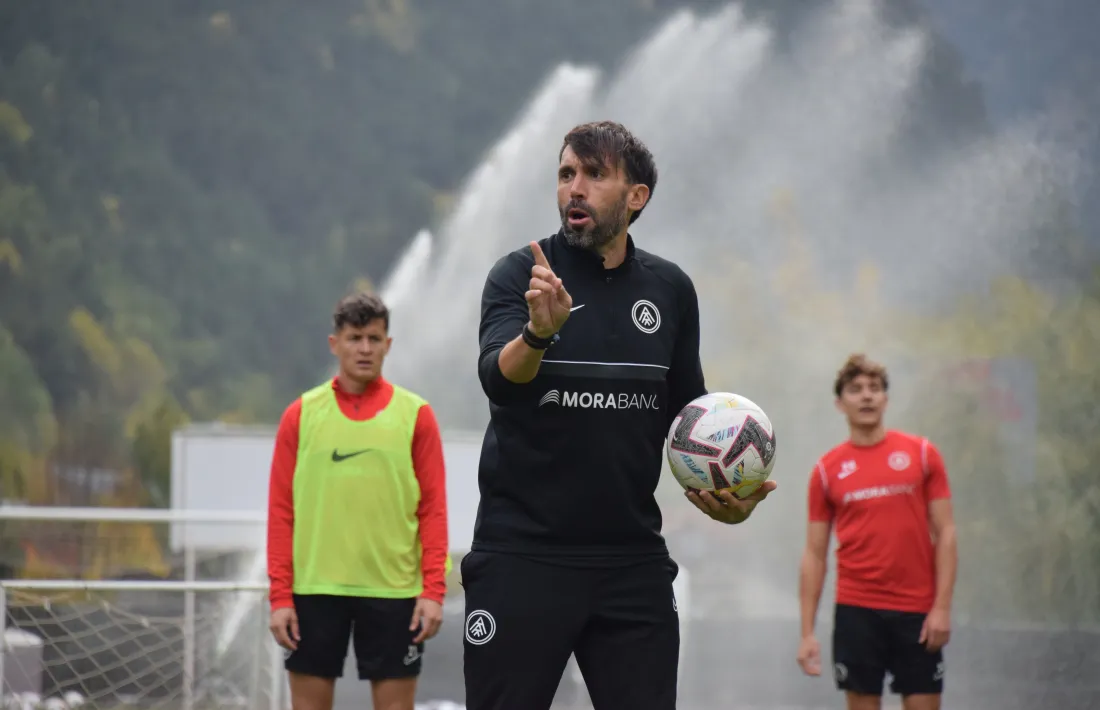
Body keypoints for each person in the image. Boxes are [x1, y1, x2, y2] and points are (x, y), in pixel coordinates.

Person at [464, 120, 777, 710]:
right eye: (565, 174)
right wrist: (539, 333)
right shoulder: (521, 277)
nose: (574, 188)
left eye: (594, 174)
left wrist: (727, 497)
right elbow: (498, 381)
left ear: (636, 197)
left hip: (630, 561)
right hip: (521, 556)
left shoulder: (671, 290)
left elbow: (688, 421)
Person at [266, 292, 450, 710]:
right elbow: (281, 512)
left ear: (388, 344)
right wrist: (280, 597)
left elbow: (433, 509)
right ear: (335, 344)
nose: (364, 348)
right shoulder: (301, 414)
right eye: (354, 338)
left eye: (373, 338)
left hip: (395, 592)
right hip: (313, 591)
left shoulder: (415, 415)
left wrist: (433, 590)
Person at [797, 354, 958, 710]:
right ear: (840, 403)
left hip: (916, 611)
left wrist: (942, 607)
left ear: (886, 398)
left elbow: (945, 533)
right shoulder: (826, 471)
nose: (866, 396)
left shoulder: (922, 454)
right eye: (855, 390)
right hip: (857, 612)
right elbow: (814, 554)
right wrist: (807, 633)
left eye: (874, 388)